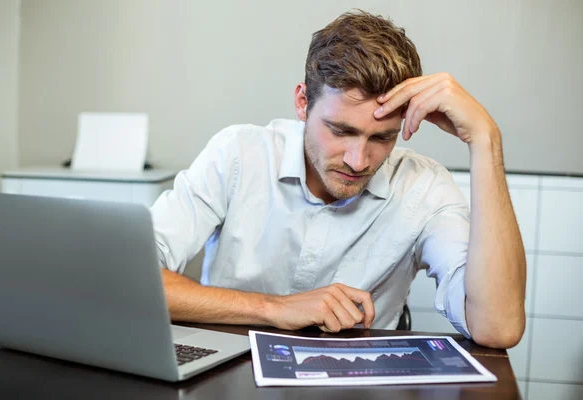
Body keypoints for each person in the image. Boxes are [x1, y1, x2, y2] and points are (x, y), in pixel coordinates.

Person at [150, 10, 526, 349]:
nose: (358, 160)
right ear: (302, 103)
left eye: (382, 138)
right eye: (340, 131)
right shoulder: (237, 154)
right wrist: (274, 309)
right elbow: (134, 281)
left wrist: (485, 139)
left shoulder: (424, 187)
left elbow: (498, 328)